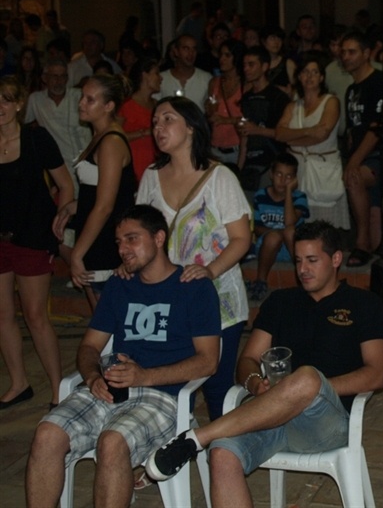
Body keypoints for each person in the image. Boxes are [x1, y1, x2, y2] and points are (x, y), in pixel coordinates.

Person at [144, 221, 383, 508]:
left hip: (326, 423)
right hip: (269, 415)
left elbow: (376, 375)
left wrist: (305, 389)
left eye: (312, 260)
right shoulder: (281, 302)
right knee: (222, 454)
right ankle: (204, 440)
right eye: (298, 261)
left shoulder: (364, 304)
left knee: (307, 377)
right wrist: (254, 383)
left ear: (336, 259)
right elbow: (248, 359)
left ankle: (196, 438)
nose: (303, 269)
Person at [25, 204, 221, 507]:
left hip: (163, 397)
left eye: (132, 239)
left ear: (158, 238)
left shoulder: (194, 288)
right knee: (47, 434)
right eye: (119, 242)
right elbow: (89, 347)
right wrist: (92, 377)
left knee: (112, 442)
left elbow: (208, 361)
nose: (122, 249)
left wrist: (144, 376)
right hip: (109, 389)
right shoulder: (120, 285)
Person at [137, 96, 251, 420]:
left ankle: (224, 447)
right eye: (155, 122)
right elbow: (140, 232)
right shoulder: (151, 176)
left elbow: (242, 239)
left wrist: (210, 270)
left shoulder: (220, 177)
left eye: (167, 119)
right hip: (170, 299)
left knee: (217, 388)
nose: (158, 128)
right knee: (170, 383)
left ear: (190, 127)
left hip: (218, 299)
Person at [0, 76, 74, 409]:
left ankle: (59, 390)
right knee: (3, 314)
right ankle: (19, 383)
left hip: (31, 237)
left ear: (19, 104)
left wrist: (62, 217)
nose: (0, 107)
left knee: (34, 314)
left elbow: (66, 184)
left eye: (7, 99)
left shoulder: (35, 138)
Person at [54, 74, 137, 311]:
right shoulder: (100, 135)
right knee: (101, 317)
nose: (81, 103)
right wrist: (74, 206)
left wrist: (77, 254)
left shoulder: (111, 141)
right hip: (95, 234)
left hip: (105, 239)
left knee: (108, 318)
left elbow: (105, 206)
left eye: (90, 100)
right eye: (82, 97)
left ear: (108, 106)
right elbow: (99, 191)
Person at [276, 52, 348, 228]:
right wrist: (308, 131)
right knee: (299, 222)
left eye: (314, 72)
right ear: (299, 77)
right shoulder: (293, 105)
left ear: (322, 77)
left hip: (322, 167)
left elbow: (322, 134)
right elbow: (279, 134)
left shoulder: (331, 101)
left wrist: (292, 139)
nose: (310, 76)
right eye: (305, 72)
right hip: (298, 169)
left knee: (324, 224)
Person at [341, 30, 383, 266]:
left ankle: (361, 242)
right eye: (343, 52)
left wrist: (354, 161)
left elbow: (376, 128)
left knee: (354, 176)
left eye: (352, 52)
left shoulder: (378, 81)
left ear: (366, 53)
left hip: (378, 156)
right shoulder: (351, 89)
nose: (346, 57)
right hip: (358, 154)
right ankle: (365, 240)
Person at [248, 153, 310, 304]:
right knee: (274, 236)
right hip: (267, 247)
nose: (283, 180)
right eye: (279, 174)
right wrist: (276, 234)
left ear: (295, 179)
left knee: (289, 231)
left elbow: (290, 223)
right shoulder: (261, 195)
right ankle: (260, 281)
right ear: (271, 174)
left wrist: (288, 192)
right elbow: (257, 228)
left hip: (292, 248)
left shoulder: (299, 197)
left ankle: (302, 278)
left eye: (288, 177)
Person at [25, 57, 91, 194]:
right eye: (54, 76)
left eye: (62, 76)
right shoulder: (36, 100)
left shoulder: (79, 96)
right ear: (45, 78)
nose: (58, 81)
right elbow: (23, 125)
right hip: (60, 166)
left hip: (87, 159)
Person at [236, 46, 290, 196]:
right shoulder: (246, 98)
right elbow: (244, 138)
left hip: (271, 164)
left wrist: (256, 130)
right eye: (244, 65)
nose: (246, 69)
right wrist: (239, 168)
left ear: (265, 66)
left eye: (251, 64)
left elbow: (285, 134)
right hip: (249, 165)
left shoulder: (278, 97)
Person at [119, 58, 161, 181]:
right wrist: (143, 133)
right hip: (132, 167)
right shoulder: (125, 105)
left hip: (155, 167)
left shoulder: (157, 105)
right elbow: (113, 136)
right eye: (156, 73)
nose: (161, 78)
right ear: (144, 75)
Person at [206, 39, 245, 166]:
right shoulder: (214, 82)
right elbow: (211, 111)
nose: (222, 59)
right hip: (216, 147)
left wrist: (226, 120)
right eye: (221, 54)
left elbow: (248, 119)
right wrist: (209, 107)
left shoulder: (245, 84)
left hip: (237, 148)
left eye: (227, 55)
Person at [157, 34, 212, 109]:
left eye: (194, 49)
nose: (191, 53)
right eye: (186, 49)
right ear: (176, 51)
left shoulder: (206, 78)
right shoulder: (161, 79)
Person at [260, 25, 296, 97]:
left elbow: (296, 88)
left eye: (279, 38)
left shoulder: (288, 63)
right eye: (272, 38)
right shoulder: (257, 63)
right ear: (264, 41)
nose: (277, 42)